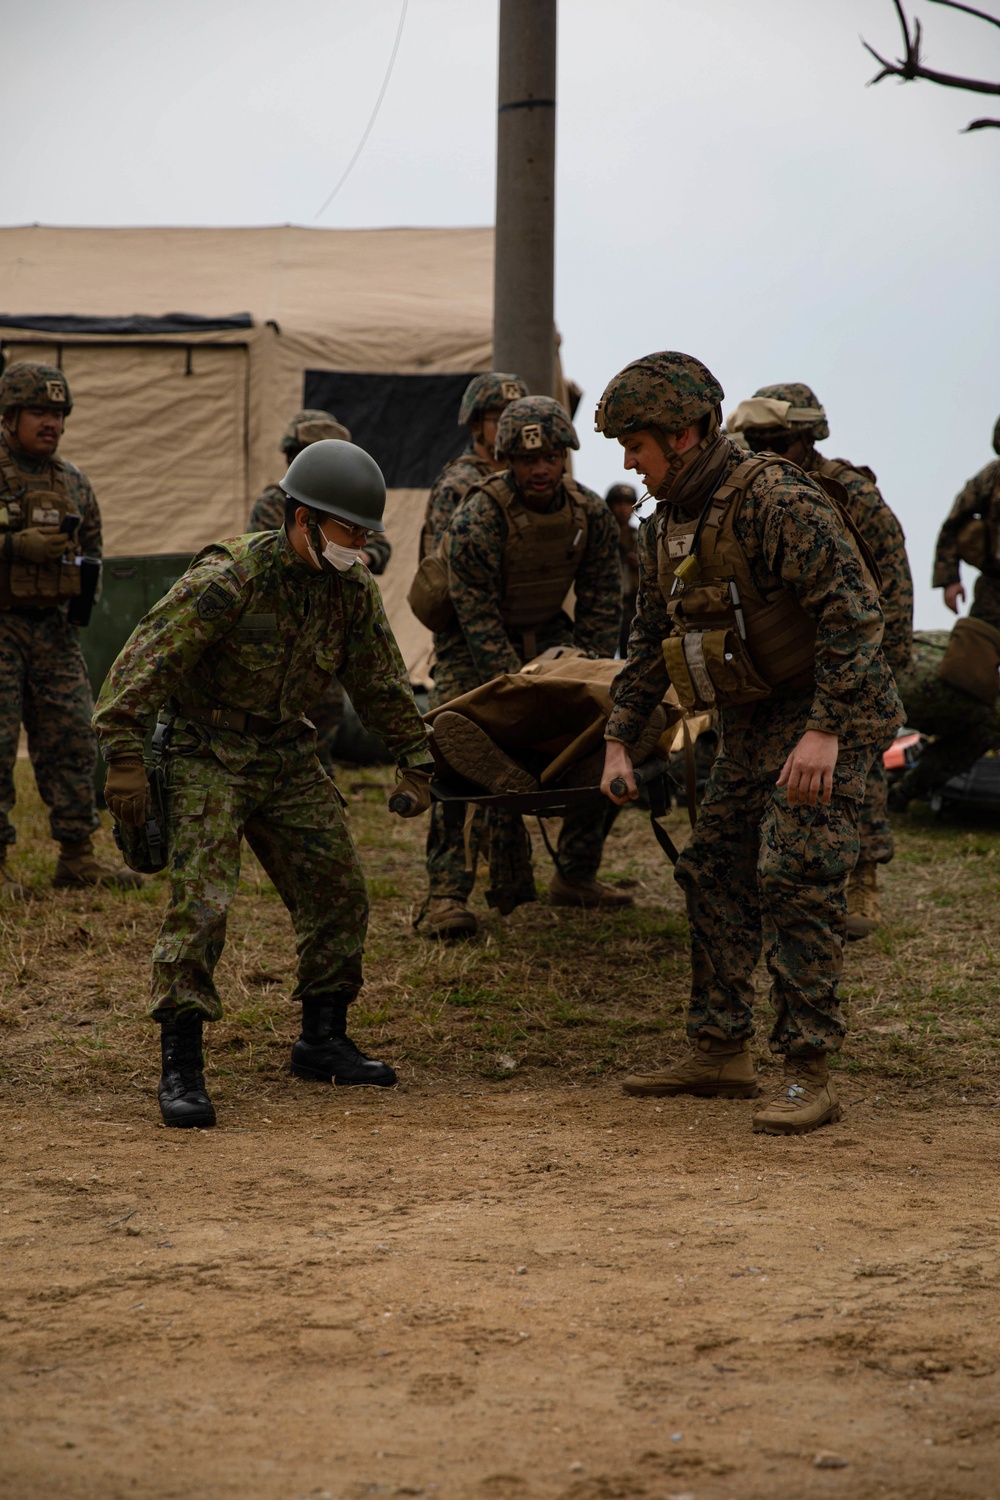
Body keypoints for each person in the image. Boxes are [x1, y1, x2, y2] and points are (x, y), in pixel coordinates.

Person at [598, 351, 903, 1136]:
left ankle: (807, 1071)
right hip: (753, 719)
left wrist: (827, 731)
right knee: (714, 867)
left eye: (636, 444)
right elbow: (649, 637)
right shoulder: (669, 521)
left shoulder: (775, 498)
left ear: (686, 433)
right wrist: (618, 740)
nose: (628, 462)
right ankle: (720, 1049)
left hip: (827, 713)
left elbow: (854, 614)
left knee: (794, 872)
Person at [93, 440, 432, 1129]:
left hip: (283, 749)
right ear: (302, 519)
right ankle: (182, 1062)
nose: (357, 546)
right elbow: (138, 666)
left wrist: (415, 757)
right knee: (203, 903)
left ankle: (321, 1039)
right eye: (346, 531)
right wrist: (125, 757)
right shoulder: (231, 578)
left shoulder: (352, 589)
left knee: (338, 889)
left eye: (365, 534)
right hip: (205, 749)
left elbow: (381, 680)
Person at [422, 395, 623, 938]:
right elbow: (475, 612)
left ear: (565, 457)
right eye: (528, 460)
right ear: (507, 459)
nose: (541, 469)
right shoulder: (477, 517)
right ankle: (445, 894)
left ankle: (576, 875)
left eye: (552, 457)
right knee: (456, 750)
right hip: (474, 643)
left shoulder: (589, 513)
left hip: (550, 635)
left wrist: (590, 673)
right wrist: (520, 697)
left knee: (609, 729)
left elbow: (604, 596)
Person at [727, 383, 913, 940]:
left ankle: (864, 883)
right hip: (787, 661)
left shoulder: (852, 492)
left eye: (774, 440)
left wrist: (886, 664)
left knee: (863, 772)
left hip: (857, 654)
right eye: (754, 441)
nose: (763, 451)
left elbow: (893, 585)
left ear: (806, 437)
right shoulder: (757, 492)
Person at [0, 360, 140, 897]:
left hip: (54, 631)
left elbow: (94, 553)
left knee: (74, 739)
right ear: (10, 416)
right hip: (2, 629)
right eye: (39, 411)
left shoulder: (73, 482)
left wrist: (80, 600)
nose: (51, 422)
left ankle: (78, 856)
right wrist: (15, 546)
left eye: (59, 413)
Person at [249, 408, 392, 767]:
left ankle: (320, 775)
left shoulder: (349, 505)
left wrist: (357, 558)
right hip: (285, 632)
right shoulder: (275, 505)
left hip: (327, 628)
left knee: (326, 712)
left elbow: (378, 546)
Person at [418, 372, 529, 563]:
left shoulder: (530, 478)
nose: (511, 430)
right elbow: (442, 568)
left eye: (518, 420)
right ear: (475, 425)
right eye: (500, 421)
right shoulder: (459, 485)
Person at [889, 629, 1000, 809]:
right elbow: (941, 762)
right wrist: (901, 795)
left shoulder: (984, 638)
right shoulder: (994, 719)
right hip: (908, 691)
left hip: (894, 648)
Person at [933, 414, 1000, 626]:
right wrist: (949, 580)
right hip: (995, 588)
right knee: (969, 651)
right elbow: (953, 525)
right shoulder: (992, 478)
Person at [605, 482, 640, 656]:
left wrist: (640, 564)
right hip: (608, 603)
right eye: (618, 503)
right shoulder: (604, 535)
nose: (623, 509)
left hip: (632, 603)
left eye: (628, 503)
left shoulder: (639, 536)